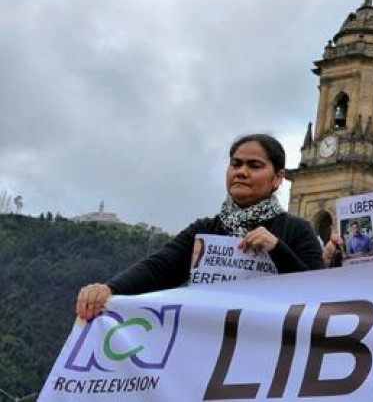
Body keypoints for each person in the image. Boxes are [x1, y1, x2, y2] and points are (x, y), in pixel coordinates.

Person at [74, 134, 324, 321]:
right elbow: (158, 268)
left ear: (278, 178)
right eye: (235, 164)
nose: (241, 172)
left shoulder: (298, 231)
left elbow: (320, 297)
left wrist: (277, 249)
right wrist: (109, 289)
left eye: (254, 165)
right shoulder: (204, 229)